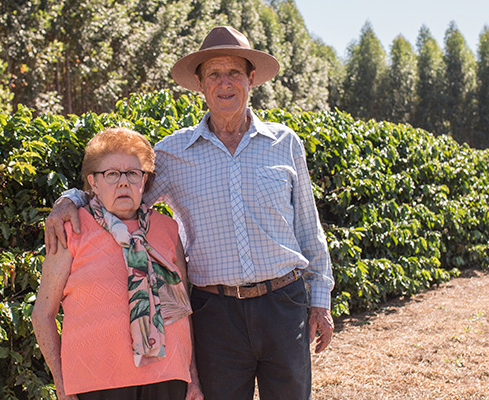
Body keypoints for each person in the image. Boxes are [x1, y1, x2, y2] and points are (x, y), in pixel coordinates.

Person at [45, 26, 334, 400]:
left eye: (234, 73)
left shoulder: (285, 143)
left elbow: (309, 229)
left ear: (251, 79)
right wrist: (70, 198)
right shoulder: (172, 153)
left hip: (284, 303)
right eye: (214, 74)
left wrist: (320, 301)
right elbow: (122, 192)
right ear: (199, 84)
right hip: (215, 313)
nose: (224, 83)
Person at [32, 127, 203, 400]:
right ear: (93, 183)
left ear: (144, 181)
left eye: (133, 173)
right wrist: (62, 386)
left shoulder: (167, 229)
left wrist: (192, 378)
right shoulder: (71, 229)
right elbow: (42, 314)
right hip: (95, 383)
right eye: (111, 174)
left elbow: (182, 310)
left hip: (169, 378)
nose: (123, 182)